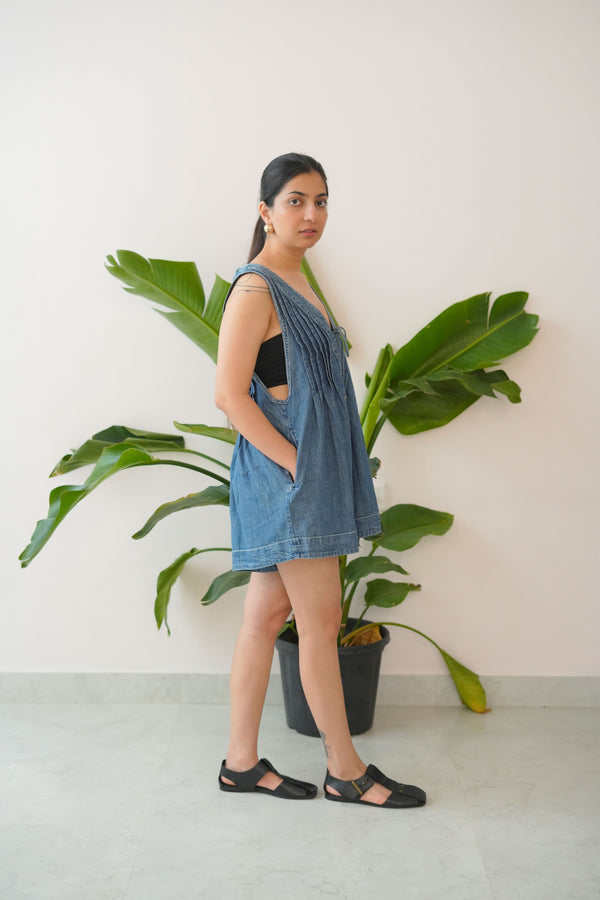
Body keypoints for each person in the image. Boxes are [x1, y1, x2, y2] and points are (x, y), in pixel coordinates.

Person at [214, 153, 426, 808]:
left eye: (322, 201)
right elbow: (229, 396)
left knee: (265, 616)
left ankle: (241, 763)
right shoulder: (256, 288)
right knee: (319, 620)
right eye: (297, 201)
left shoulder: (299, 279)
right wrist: (298, 463)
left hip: (296, 475)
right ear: (265, 212)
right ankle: (346, 770)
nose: (312, 215)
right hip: (288, 479)